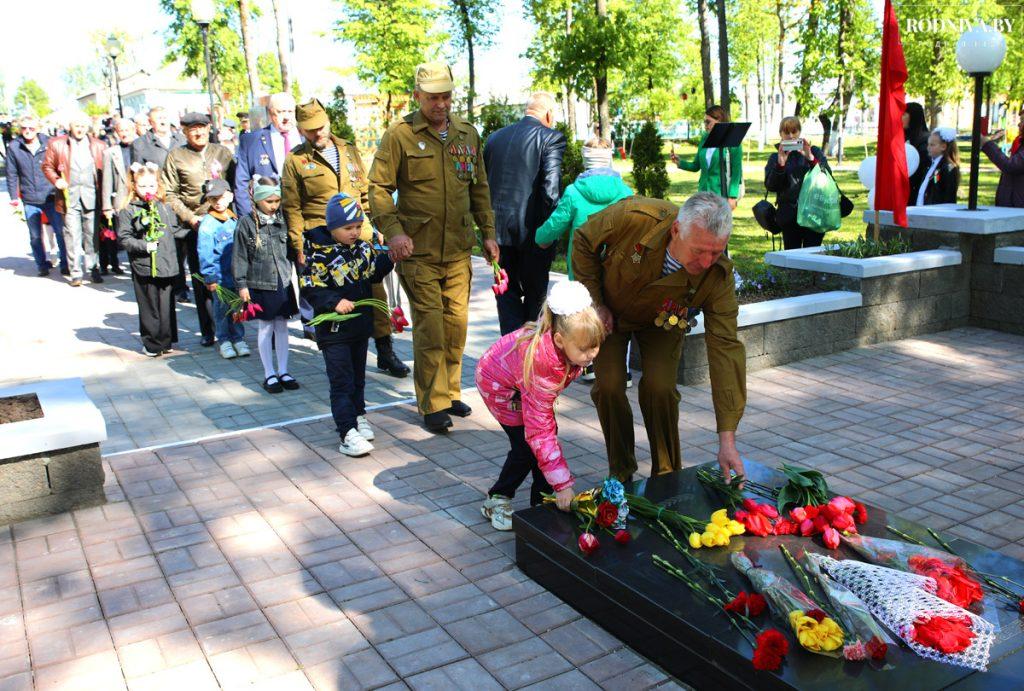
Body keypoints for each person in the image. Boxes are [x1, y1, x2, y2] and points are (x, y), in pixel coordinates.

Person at [573, 192, 746, 484]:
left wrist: (727, 441)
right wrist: (595, 303)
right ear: (676, 230)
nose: (706, 263)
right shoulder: (635, 217)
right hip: (609, 313)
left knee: (661, 388)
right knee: (609, 386)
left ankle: (666, 476)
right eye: (699, 251)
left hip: (663, 322)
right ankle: (621, 473)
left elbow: (726, 350)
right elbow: (582, 240)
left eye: (716, 252)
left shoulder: (718, 277)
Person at [368, 61, 498, 433]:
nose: (441, 104)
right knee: (431, 328)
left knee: (456, 326)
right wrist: (393, 232)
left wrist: (488, 233)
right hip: (417, 251)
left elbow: (479, 189)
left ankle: (450, 391)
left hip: (458, 249)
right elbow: (378, 189)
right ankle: (432, 402)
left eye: (446, 97)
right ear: (417, 96)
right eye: (432, 98)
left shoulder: (467, 134)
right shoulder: (400, 135)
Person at [281, 98, 408, 377]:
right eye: (310, 129)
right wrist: (298, 245)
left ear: (328, 121)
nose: (317, 133)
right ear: (301, 130)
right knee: (333, 294)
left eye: (321, 127)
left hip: (358, 233)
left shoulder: (348, 150)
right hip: (323, 238)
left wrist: (378, 226)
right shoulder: (296, 161)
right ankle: (337, 350)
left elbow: (364, 192)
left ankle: (385, 350)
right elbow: (292, 207)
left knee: (375, 290)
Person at [477, 280, 605, 531]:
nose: (591, 354)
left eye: (595, 345)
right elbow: (539, 433)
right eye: (584, 349)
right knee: (527, 447)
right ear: (559, 340)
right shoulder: (543, 362)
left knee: (543, 437)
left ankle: (541, 500)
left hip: (522, 385)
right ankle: (497, 498)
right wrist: (563, 485)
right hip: (499, 388)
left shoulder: (567, 335)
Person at [301, 193, 396, 457]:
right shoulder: (318, 254)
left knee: (357, 379)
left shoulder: (362, 248)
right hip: (334, 332)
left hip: (359, 327)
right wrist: (334, 302)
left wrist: (391, 257)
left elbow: (373, 273)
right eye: (348, 228)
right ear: (332, 227)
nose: (354, 232)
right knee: (341, 381)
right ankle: (346, 432)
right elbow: (310, 288)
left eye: (358, 226)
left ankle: (358, 415)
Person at [536, 136, 634, 384]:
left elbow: (553, 227)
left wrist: (539, 237)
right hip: (617, 267)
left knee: (585, 313)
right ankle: (623, 370)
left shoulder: (574, 192)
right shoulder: (625, 192)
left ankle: (588, 364)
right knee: (617, 315)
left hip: (582, 270)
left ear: (585, 161)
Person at [483, 92, 566, 335]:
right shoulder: (551, 138)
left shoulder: (495, 138)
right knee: (535, 304)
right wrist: (549, 233)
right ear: (549, 114)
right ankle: (529, 353)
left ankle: (510, 351)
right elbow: (551, 191)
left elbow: (482, 186)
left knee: (506, 298)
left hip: (499, 235)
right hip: (535, 236)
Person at [162, 112, 234, 346]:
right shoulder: (176, 156)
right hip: (195, 226)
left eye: (202, 127)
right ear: (184, 131)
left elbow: (235, 185)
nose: (198, 132)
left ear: (209, 128)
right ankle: (208, 330)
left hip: (224, 223)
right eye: (192, 128)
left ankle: (234, 328)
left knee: (229, 275)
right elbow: (169, 193)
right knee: (203, 279)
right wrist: (190, 218)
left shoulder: (222, 152)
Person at [233, 176, 299, 393]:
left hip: (282, 280)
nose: (273, 205)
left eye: (277, 201)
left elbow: (292, 248)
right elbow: (240, 256)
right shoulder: (246, 223)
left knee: (282, 325)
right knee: (266, 325)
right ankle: (269, 373)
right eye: (269, 201)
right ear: (257, 200)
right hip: (260, 283)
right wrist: (242, 285)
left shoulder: (283, 219)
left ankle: (284, 370)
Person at [116, 162, 189, 356]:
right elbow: (124, 238)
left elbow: (174, 230)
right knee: (149, 306)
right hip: (145, 266)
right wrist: (144, 246)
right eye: (143, 186)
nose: (148, 190)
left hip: (166, 264)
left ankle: (166, 340)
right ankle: (152, 343)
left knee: (166, 305)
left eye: (151, 185)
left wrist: (193, 231)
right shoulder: (129, 210)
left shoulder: (163, 207)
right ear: (134, 186)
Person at [41, 111, 107, 286]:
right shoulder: (57, 144)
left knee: (92, 236)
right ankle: (76, 272)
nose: (80, 129)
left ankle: (93, 268)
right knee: (72, 235)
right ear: (70, 126)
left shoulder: (99, 145)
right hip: (69, 198)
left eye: (83, 126)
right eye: (77, 125)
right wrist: (56, 180)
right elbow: (47, 166)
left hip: (92, 197)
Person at [6, 115, 68, 277]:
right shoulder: (14, 147)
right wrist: (13, 197)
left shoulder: (49, 143)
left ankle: (65, 263)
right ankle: (42, 265)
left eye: (31, 128)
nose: (27, 131)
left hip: (51, 195)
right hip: (30, 198)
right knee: (35, 236)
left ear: (38, 129)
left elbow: (59, 164)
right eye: (24, 128)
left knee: (60, 232)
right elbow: (11, 173)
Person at [764, 116, 833, 250]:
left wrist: (810, 158)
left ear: (800, 132)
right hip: (789, 216)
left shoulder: (814, 151)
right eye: (786, 132)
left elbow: (827, 176)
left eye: (794, 132)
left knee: (812, 254)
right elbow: (771, 186)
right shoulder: (775, 157)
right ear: (780, 134)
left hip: (814, 212)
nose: (790, 136)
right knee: (792, 255)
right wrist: (780, 165)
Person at [197, 178, 247, 359]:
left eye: (221, 197)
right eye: (213, 199)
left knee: (238, 308)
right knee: (221, 310)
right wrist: (209, 277)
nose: (218, 202)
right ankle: (224, 340)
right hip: (219, 278)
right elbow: (205, 253)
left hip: (236, 276)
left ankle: (238, 338)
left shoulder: (234, 219)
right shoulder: (207, 224)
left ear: (231, 197)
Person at [236, 92, 298, 216]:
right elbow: (242, 184)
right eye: (280, 112)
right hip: (266, 216)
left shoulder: (306, 138)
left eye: (290, 112)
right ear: (270, 113)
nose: (286, 117)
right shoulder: (251, 141)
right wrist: (248, 219)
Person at [670, 105, 742, 209]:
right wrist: (679, 162)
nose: (705, 125)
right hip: (703, 195)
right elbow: (696, 166)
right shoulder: (704, 138)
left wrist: (732, 197)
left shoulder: (732, 140)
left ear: (719, 121)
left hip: (721, 195)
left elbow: (737, 171)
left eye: (708, 122)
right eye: (704, 122)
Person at [99, 118, 138, 275]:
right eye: (121, 130)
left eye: (127, 130)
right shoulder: (110, 153)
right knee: (127, 236)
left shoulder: (141, 147)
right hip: (121, 200)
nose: (124, 133)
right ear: (117, 133)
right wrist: (107, 206)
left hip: (141, 197)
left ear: (133, 130)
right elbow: (107, 181)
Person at [981, 106, 1024, 208]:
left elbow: (1010, 166)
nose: (1019, 124)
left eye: (1022, 121)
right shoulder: (1019, 142)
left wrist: (987, 144)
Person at [915, 127, 960, 206]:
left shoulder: (948, 168)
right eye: (928, 144)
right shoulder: (931, 165)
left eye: (932, 145)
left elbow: (949, 196)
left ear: (943, 147)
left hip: (936, 210)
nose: (928, 147)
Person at [904, 102, 930, 205]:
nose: (900, 118)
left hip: (917, 194)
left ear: (913, 116)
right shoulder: (904, 137)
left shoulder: (924, 141)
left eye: (904, 114)